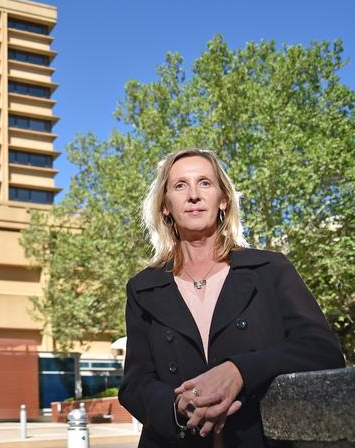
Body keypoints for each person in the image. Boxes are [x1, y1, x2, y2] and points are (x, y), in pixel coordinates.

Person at [118, 148, 345, 448]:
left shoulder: (270, 269)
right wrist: (177, 409)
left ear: (223, 200)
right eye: (180, 185)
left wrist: (240, 371)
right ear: (165, 207)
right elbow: (135, 384)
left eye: (205, 183)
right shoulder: (142, 287)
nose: (194, 195)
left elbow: (322, 350)